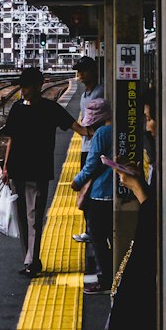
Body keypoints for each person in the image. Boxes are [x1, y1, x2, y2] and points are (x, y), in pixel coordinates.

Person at [98, 101, 160, 330]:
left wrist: (136, 187)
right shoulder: (165, 157)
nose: (148, 126)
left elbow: (159, 214)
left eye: (151, 119)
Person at [2, 66, 87, 276]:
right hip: (17, 171)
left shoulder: (51, 109)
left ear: (39, 86)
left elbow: (77, 127)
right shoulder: (16, 109)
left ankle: (33, 261)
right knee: (22, 217)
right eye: (22, 86)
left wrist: (100, 131)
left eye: (27, 86)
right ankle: (29, 259)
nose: (24, 91)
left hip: (38, 171)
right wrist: (5, 167)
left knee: (34, 217)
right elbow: (10, 139)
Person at [70, 98, 114, 294]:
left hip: (101, 194)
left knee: (98, 238)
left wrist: (77, 181)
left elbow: (92, 165)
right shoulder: (120, 130)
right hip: (118, 193)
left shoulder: (101, 134)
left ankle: (105, 280)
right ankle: (115, 276)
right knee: (113, 237)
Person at [72, 56, 104, 249]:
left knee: (91, 188)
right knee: (86, 189)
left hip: (95, 147)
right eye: (79, 70)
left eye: (84, 70)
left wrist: (90, 131)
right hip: (86, 146)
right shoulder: (85, 95)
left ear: (93, 71)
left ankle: (93, 230)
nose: (81, 74)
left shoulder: (100, 92)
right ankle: (89, 229)